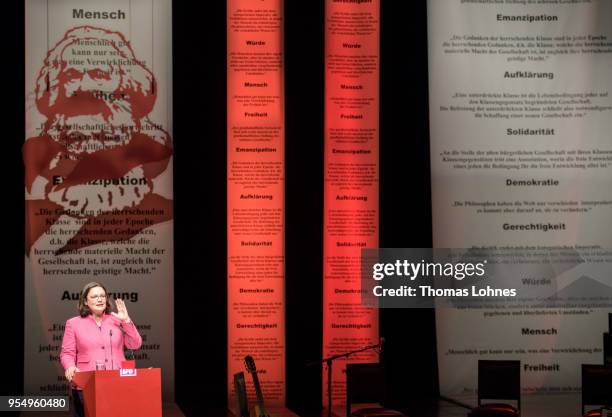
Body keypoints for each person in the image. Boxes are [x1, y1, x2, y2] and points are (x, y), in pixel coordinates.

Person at [60, 282, 142, 417]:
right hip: (86, 383)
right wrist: (70, 366)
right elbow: (67, 353)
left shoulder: (117, 319)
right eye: (94, 296)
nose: (100, 299)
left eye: (103, 296)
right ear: (85, 301)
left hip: (117, 382)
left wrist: (126, 320)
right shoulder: (73, 323)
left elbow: (135, 344)